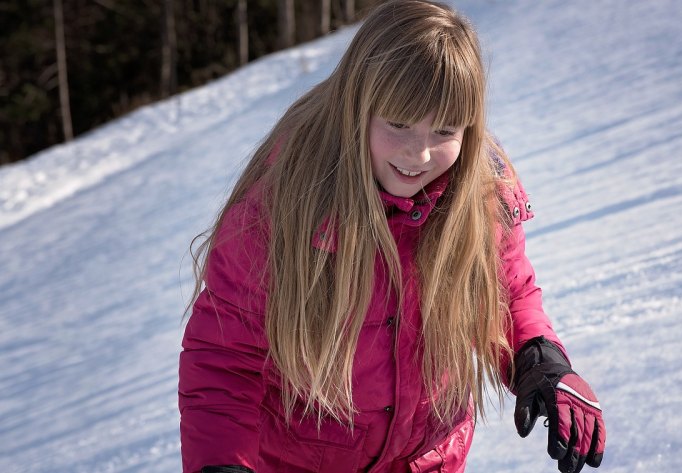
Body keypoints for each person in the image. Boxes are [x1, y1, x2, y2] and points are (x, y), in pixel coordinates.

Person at [178, 1, 605, 472]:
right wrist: (221, 463)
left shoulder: (480, 196)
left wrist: (538, 357)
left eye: (443, 130)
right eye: (398, 124)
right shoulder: (283, 207)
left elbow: (508, 295)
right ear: (355, 107)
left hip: (429, 459)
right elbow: (224, 359)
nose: (417, 153)